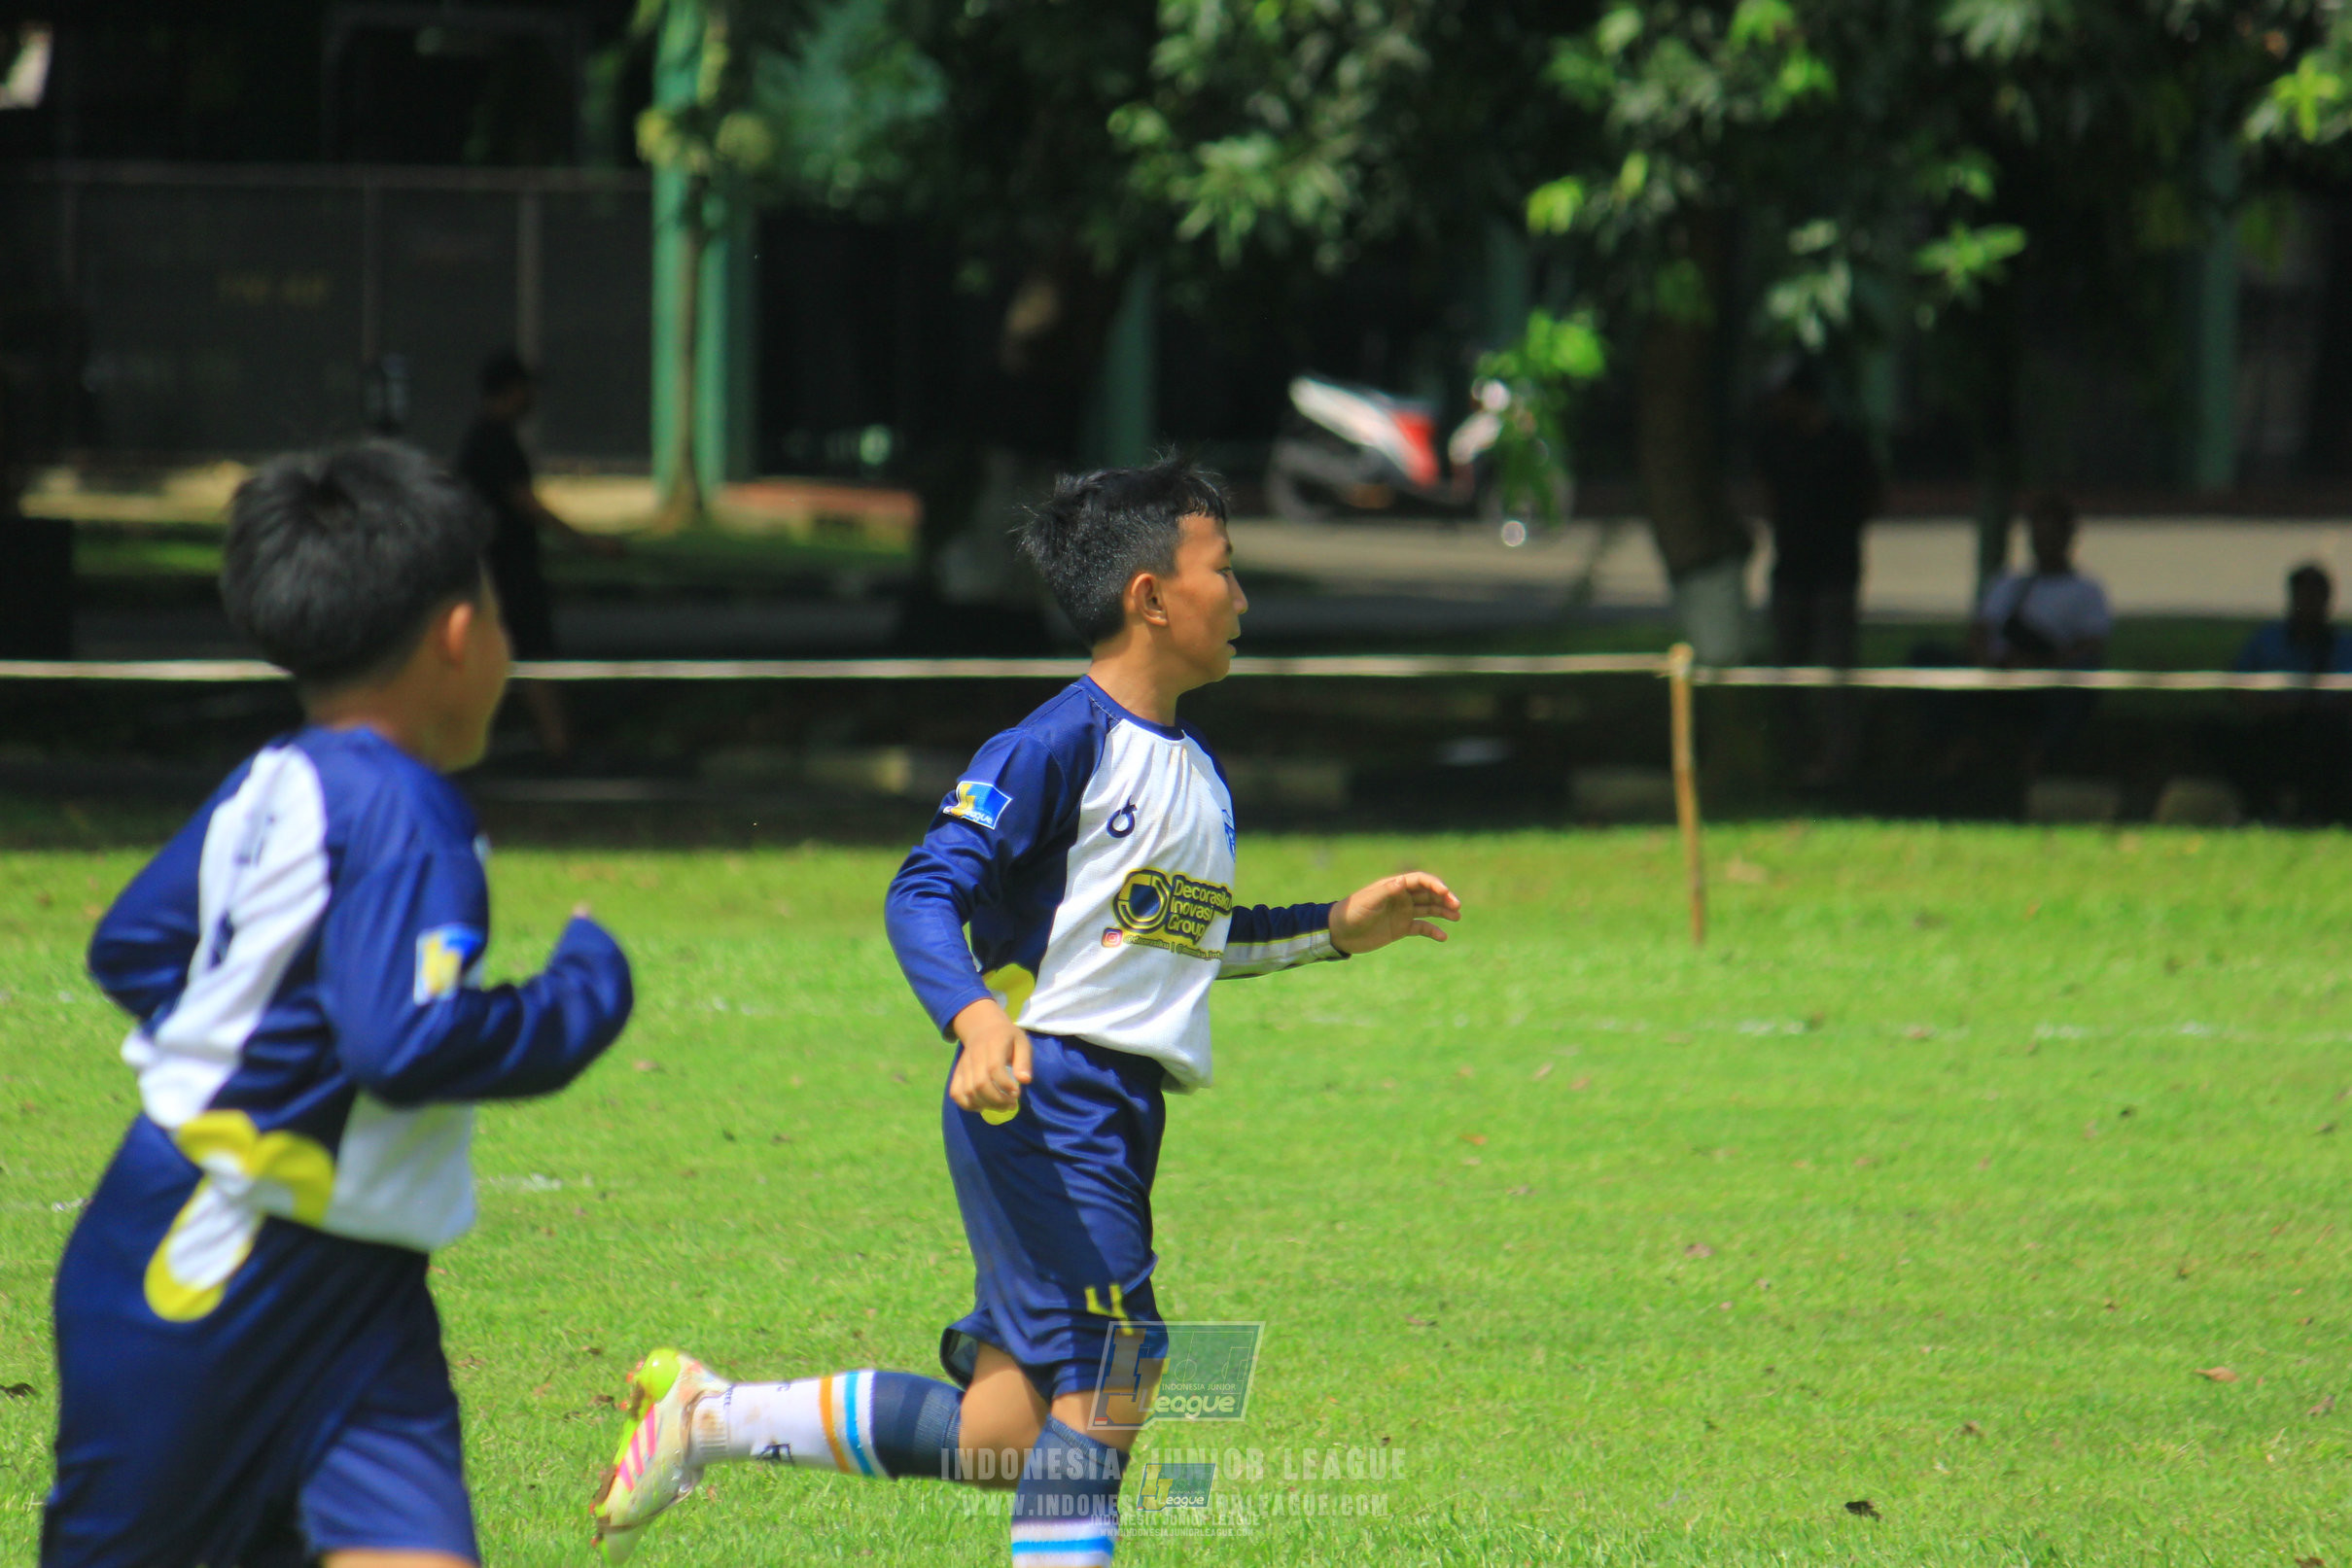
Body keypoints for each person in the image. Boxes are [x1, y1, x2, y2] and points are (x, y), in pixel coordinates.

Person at [588, 461, 1463, 1565]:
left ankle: (704, 1418)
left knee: (1001, 1430)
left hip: (1113, 1111)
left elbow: (1186, 940)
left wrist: (1338, 923)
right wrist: (973, 1019)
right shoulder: (1055, 743)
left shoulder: (1195, 771)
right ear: (1151, 597)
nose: (1243, 598)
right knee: (1121, 1367)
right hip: (1044, 1095)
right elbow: (923, 889)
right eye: (1225, 572)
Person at [43, 441, 636, 1568]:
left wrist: (260, 1034)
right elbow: (400, 1041)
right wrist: (582, 994)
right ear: (461, 635)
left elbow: (132, 943)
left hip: (363, 1297)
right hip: (210, 1273)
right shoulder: (411, 810)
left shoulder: (278, 774)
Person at [451, 349, 618, 761]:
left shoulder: (486, 438)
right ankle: (556, 744)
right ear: (512, 390)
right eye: (527, 389)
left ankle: (547, 739)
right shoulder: (493, 440)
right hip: (505, 571)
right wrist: (586, 543)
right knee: (534, 653)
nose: (533, 398)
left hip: (497, 567)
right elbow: (525, 504)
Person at [1755, 363, 1881, 783]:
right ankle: (1788, 763)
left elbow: (1872, 499)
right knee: (1785, 673)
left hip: (1835, 575)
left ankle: (1838, 767)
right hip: (1790, 573)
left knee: (1835, 674)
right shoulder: (1776, 443)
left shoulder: (1844, 443)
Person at [1968, 492, 2109, 773]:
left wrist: (2041, 665)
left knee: (2082, 678)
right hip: (1998, 674)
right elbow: (1979, 632)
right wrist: (1990, 664)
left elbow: (2091, 645)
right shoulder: (2008, 584)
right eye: (2038, 533)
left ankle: (2041, 757)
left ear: (2068, 537)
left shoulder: (2087, 591)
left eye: (2051, 534)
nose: (2043, 542)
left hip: (2050, 677)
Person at [2224, 562, 2352, 820]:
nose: (2308, 604)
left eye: (2315, 597)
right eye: (2303, 596)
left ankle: (2319, 812)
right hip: (2271, 725)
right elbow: (2237, 683)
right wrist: (2268, 707)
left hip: (2325, 732)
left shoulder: (2342, 645)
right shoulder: (2267, 639)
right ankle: (2261, 810)